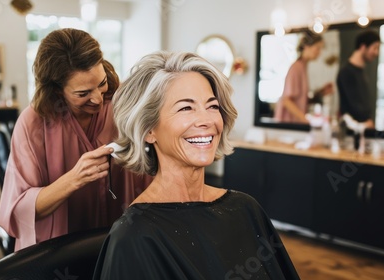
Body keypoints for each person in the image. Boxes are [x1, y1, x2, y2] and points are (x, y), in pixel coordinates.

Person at [93, 51, 300, 279]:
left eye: (212, 106)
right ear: (148, 129)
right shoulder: (134, 235)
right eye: (186, 108)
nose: (207, 121)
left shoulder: (246, 209)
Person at [0, 28, 152, 251]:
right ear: (57, 91)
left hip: (118, 240)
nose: (98, 98)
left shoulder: (121, 106)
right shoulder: (33, 124)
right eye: (83, 93)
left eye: (101, 83)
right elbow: (18, 209)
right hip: (59, 250)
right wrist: (74, 179)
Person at [274, 31, 334, 123]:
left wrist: (321, 93)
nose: (319, 52)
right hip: (289, 124)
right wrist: (306, 121)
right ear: (307, 46)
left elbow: (300, 100)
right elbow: (286, 101)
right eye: (317, 48)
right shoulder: (296, 68)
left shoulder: (303, 67)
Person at [336, 29, 380, 129]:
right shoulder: (346, 72)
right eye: (375, 48)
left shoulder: (361, 71)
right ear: (363, 47)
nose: (376, 53)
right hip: (351, 131)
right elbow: (354, 107)